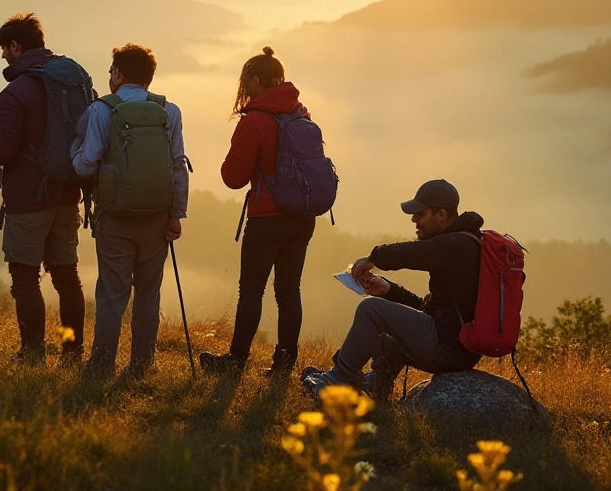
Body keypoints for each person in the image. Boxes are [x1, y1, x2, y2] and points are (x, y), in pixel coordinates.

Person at [0, 13, 86, 366]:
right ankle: (72, 354)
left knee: (25, 279)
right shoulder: (69, 83)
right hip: (67, 191)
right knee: (66, 275)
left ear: (16, 46)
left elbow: (7, 149)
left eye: (4, 50)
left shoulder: (15, 92)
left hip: (29, 199)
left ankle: (32, 355)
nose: (2, 58)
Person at [302, 179, 483, 401]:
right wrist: (390, 291)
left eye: (420, 214)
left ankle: (338, 380)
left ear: (442, 215)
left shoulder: (456, 246)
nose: (414, 219)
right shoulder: (465, 244)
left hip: (448, 348)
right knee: (383, 339)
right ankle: (376, 387)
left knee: (371, 309)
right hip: (456, 348)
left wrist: (374, 258)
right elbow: (432, 313)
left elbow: (412, 253)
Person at [72, 44, 188, 377]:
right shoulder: (170, 112)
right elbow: (177, 166)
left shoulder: (101, 110)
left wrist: (73, 149)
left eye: (112, 71)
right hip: (156, 218)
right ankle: (141, 364)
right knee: (148, 293)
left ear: (119, 74)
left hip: (116, 218)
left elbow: (85, 165)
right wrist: (175, 214)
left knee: (111, 292)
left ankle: (102, 363)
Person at [200, 47, 316, 377]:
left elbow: (233, 178)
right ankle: (284, 362)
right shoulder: (301, 114)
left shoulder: (255, 121)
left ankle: (236, 360)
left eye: (244, 79)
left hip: (267, 217)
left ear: (254, 79)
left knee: (252, 290)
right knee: (289, 291)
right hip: (303, 217)